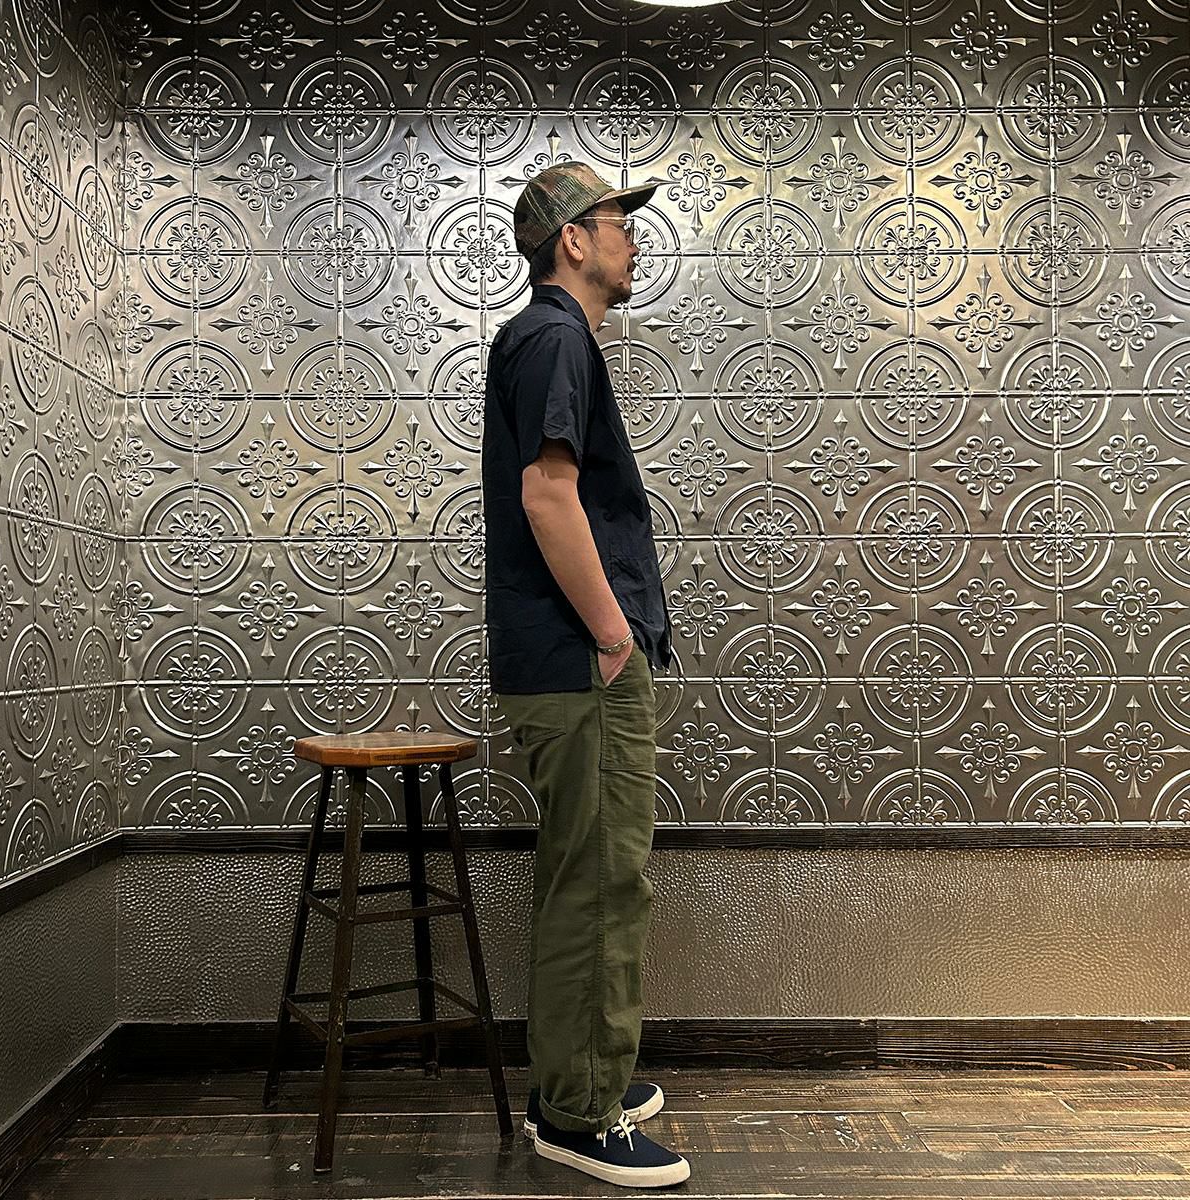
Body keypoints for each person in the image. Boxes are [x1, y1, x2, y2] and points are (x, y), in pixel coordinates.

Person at [481, 162, 690, 1189]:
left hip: (561, 661)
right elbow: (549, 496)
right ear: (573, 239)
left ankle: (573, 1078)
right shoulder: (558, 337)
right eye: (619, 222)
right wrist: (612, 635)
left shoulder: (540, 338)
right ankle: (580, 1113)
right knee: (603, 886)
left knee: (584, 878)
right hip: (580, 663)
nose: (633, 240)